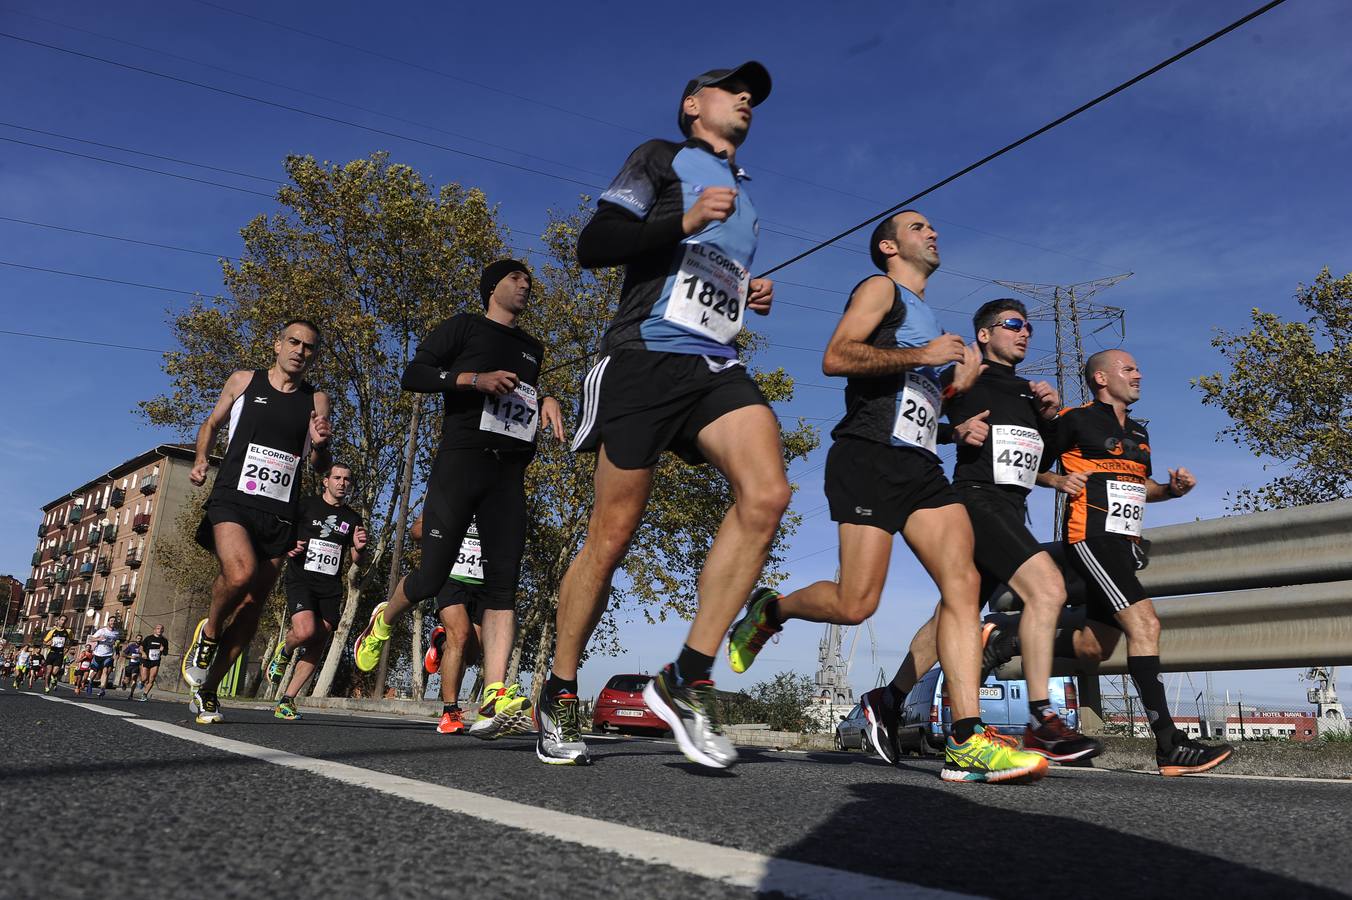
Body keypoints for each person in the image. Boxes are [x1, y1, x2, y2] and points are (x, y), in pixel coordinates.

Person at [726, 211, 1049, 784]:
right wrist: (924, 357)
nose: (933, 233)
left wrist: (956, 397)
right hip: (867, 455)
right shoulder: (882, 290)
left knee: (963, 585)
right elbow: (837, 357)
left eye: (934, 228)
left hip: (922, 467)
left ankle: (967, 740)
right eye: (919, 227)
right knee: (856, 605)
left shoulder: (930, 317)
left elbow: (917, 402)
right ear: (888, 245)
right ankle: (769, 610)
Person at [537, 62, 787, 769]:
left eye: (753, 96)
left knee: (766, 495)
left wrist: (744, 287)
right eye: (731, 89)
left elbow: (699, 273)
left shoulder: (747, 197)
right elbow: (596, 246)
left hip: (713, 367)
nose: (745, 100)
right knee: (610, 539)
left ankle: (687, 675)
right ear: (692, 105)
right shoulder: (660, 156)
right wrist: (683, 219)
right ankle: (559, 690)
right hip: (643, 359)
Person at [848, 298, 1103, 764]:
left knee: (953, 613)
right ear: (984, 335)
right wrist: (954, 430)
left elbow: (1037, 465)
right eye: (1012, 325)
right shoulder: (964, 374)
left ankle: (888, 698)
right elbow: (910, 421)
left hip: (1011, 506)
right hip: (974, 500)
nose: (1024, 332)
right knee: (1047, 589)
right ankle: (1042, 718)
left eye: (1028, 326)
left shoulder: (1028, 390)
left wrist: (1048, 420)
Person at [353, 260, 564, 741]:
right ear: (493, 288)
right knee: (429, 577)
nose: (526, 285)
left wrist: (546, 398)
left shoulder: (533, 347)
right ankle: (381, 620)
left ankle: (494, 692)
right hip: (461, 462)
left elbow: (525, 393)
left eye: (528, 280)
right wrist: (474, 380)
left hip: (508, 473)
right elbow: (415, 374)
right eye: (516, 278)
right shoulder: (463, 327)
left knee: (503, 587)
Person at [1037, 349, 1233, 776]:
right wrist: (1056, 479)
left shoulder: (1139, 432)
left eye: (1138, 368)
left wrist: (1172, 490)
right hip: (1090, 537)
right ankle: (1169, 744)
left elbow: (1141, 488)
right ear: (1102, 378)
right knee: (1146, 624)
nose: (1139, 375)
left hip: (1124, 544)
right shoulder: (1073, 419)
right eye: (1129, 369)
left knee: (1095, 647)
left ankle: (1004, 639)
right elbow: (1026, 464)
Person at [182, 319, 331, 725]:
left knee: (251, 608)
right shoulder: (245, 381)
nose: (301, 351)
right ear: (277, 344)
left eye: (309, 347)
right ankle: (209, 634)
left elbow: (320, 465)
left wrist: (322, 444)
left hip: (281, 512)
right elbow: (212, 424)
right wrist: (200, 460)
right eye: (294, 342)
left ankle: (208, 691)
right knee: (241, 573)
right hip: (233, 497)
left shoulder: (316, 399)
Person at [267, 462, 367, 720]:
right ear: (326, 481)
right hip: (301, 578)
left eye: (347, 479)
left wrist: (359, 547)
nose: (342, 483)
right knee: (304, 632)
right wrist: (290, 546)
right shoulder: (305, 506)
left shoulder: (353, 518)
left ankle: (287, 700)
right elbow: (285, 532)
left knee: (319, 640)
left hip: (330, 588)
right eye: (337, 478)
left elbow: (357, 559)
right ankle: (285, 651)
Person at [412, 511, 485, 735]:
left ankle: (441, 642)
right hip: (450, 579)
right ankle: (449, 713)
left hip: (484, 584)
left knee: (471, 655)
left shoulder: (497, 493)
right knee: (460, 636)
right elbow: (416, 531)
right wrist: (444, 527)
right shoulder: (452, 488)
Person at [88, 621, 120, 697]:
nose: (113, 622)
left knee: (105, 671)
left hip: (108, 655)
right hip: (98, 654)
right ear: (108, 622)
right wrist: (99, 638)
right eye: (111, 621)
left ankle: (102, 689)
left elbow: (117, 643)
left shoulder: (116, 633)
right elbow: (90, 638)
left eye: (114, 621)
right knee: (95, 673)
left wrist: (117, 652)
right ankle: (90, 682)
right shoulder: (102, 630)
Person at [42, 616, 74, 694]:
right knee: (48, 672)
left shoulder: (68, 631)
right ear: (58, 621)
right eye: (62, 620)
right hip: (52, 653)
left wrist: (67, 648)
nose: (63, 622)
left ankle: (54, 679)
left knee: (55, 672)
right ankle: (46, 687)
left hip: (59, 654)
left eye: (65, 620)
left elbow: (72, 640)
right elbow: (44, 642)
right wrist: (47, 644)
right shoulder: (52, 631)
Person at [139, 624, 168, 701]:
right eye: (158, 628)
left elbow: (165, 653)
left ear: (163, 630)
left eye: (161, 629)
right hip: (147, 660)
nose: (160, 630)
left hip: (156, 661)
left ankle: (144, 694)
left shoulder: (164, 640)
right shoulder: (149, 638)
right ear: (154, 630)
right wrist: (143, 653)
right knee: (144, 678)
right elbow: (141, 648)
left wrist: (162, 650)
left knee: (152, 679)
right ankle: (141, 682)